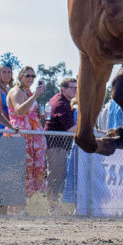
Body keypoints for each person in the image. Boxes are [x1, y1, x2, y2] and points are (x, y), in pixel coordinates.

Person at [7, 66, 47, 203]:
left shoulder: (28, 92)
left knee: (31, 170)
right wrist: (36, 95)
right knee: (22, 169)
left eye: (32, 76)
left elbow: (30, 112)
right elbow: (19, 111)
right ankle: (15, 206)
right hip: (20, 134)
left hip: (32, 135)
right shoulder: (15, 91)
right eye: (27, 75)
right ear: (20, 77)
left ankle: (24, 205)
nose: (30, 78)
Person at [44, 78, 77, 209]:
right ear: (63, 89)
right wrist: (87, 126)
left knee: (58, 174)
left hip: (57, 145)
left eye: (76, 87)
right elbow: (70, 128)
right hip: (56, 145)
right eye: (72, 87)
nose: (75, 90)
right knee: (56, 175)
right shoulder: (61, 103)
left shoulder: (59, 100)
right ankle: (52, 207)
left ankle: (52, 205)